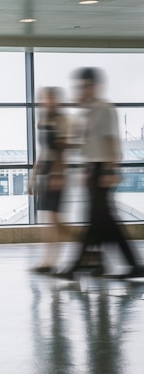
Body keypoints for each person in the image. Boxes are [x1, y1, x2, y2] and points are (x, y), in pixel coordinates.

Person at [55, 67, 144, 279]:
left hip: (103, 168)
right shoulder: (90, 111)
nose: (81, 90)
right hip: (93, 168)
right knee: (98, 220)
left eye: (85, 86)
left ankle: (78, 265)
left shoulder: (105, 109)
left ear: (95, 86)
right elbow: (88, 144)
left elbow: (111, 141)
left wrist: (109, 169)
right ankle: (100, 264)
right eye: (80, 86)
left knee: (103, 219)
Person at [29, 87, 75, 274]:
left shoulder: (62, 120)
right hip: (47, 173)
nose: (45, 102)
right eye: (44, 99)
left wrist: (59, 176)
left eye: (49, 99)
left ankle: (87, 243)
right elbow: (44, 153)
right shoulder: (44, 121)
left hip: (57, 174)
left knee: (56, 221)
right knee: (52, 221)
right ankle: (49, 261)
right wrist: (33, 177)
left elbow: (61, 153)